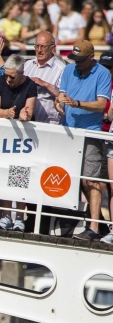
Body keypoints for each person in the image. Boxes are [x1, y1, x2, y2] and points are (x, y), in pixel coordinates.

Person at [56, 40, 110, 240]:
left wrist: (76, 103)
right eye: (74, 59)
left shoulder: (102, 73)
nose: (76, 63)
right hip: (68, 132)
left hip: (90, 132)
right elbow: (62, 94)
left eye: (80, 60)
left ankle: (94, 227)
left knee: (91, 180)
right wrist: (59, 103)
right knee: (71, 180)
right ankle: (87, 223)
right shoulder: (69, 70)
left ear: (91, 57)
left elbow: (101, 105)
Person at [0, 55, 37, 232]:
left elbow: (29, 110)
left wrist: (25, 115)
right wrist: (6, 113)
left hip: (23, 139)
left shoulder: (30, 85)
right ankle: (6, 215)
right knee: (4, 175)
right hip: (4, 137)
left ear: (21, 73)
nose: (8, 80)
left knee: (20, 175)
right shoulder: (0, 81)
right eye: (7, 75)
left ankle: (19, 217)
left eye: (12, 77)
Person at [24, 31, 65, 124]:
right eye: (37, 46)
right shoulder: (28, 65)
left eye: (43, 46)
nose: (39, 50)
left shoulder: (61, 69)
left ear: (53, 48)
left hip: (49, 124)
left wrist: (45, 85)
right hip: (28, 122)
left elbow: (64, 96)